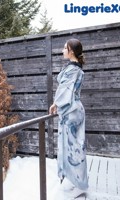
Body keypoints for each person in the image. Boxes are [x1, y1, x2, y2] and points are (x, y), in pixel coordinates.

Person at [49, 38, 88, 198]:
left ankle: (79, 184)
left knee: (73, 148)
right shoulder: (76, 68)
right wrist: (57, 103)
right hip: (75, 108)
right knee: (75, 146)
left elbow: (65, 90)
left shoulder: (72, 70)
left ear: (71, 50)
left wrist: (56, 104)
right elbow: (67, 89)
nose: (62, 50)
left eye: (65, 48)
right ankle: (76, 180)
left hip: (71, 110)